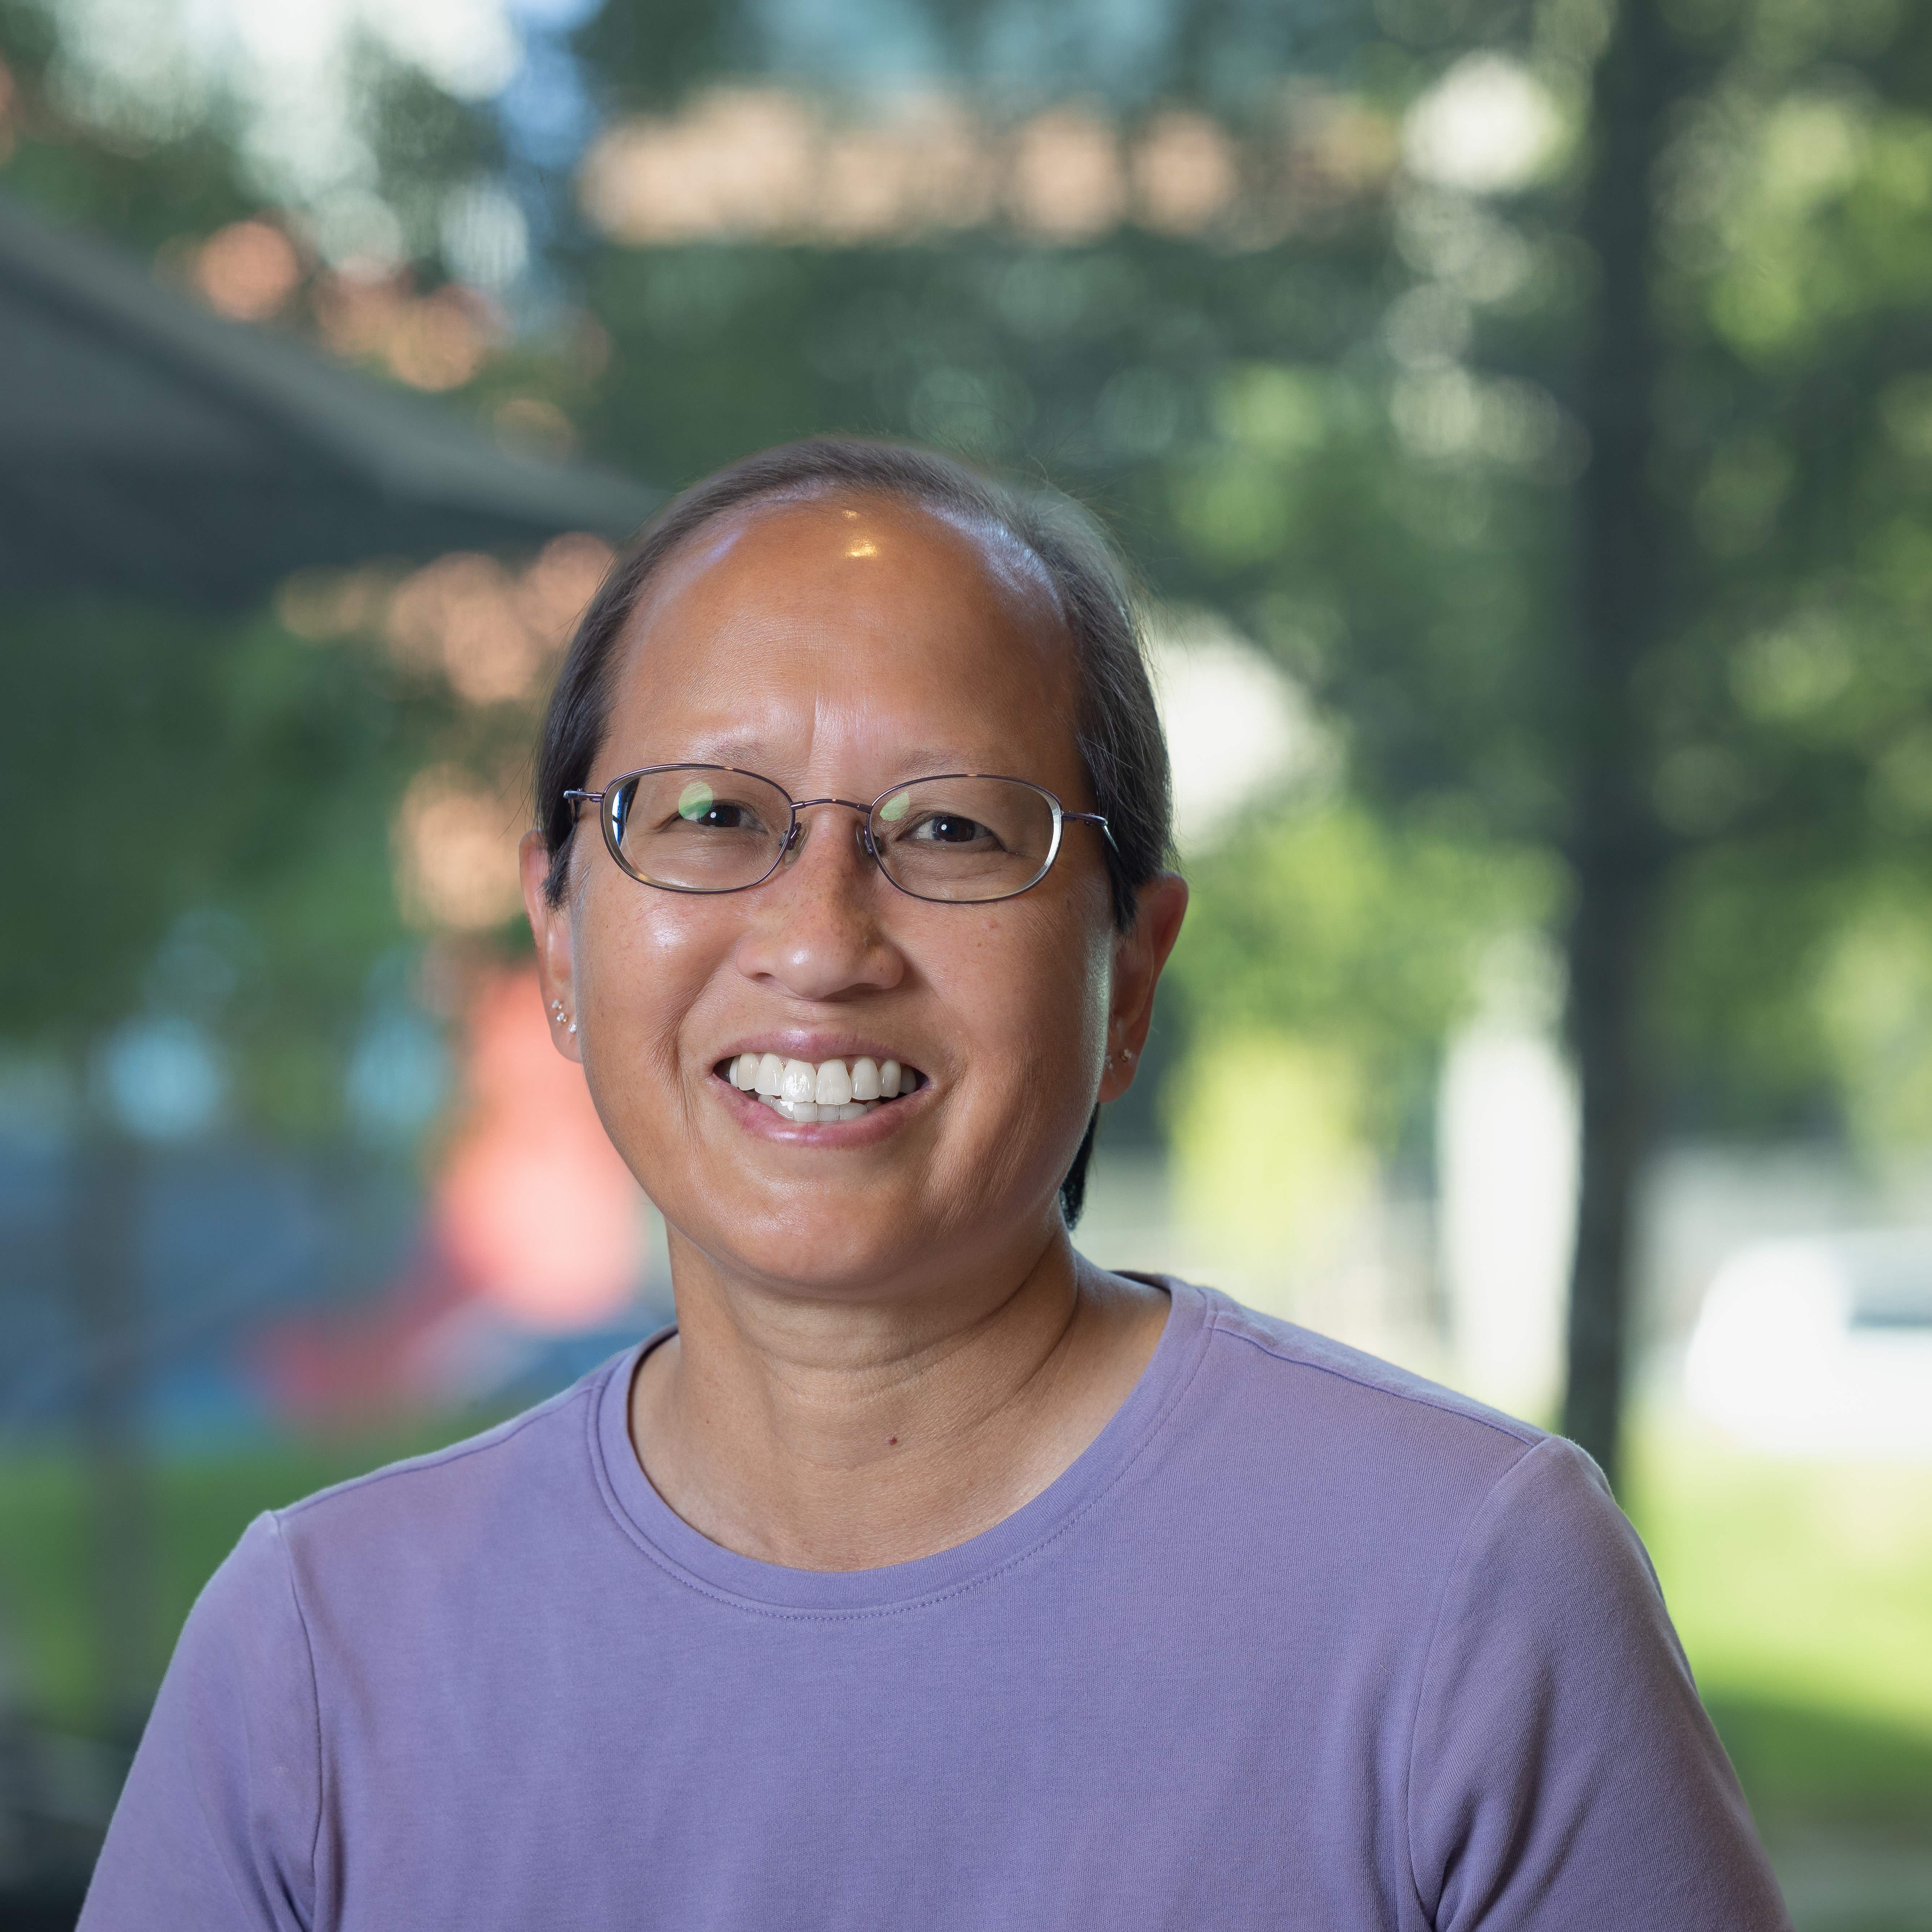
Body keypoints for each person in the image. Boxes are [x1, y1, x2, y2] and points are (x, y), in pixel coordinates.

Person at [80, 438, 1790, 1931]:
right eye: (710, 814)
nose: (821, 941)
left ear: (1129, 969)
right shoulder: (317, 1648)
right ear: (556, 935)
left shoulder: (1464, 1592)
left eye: (954, 830)